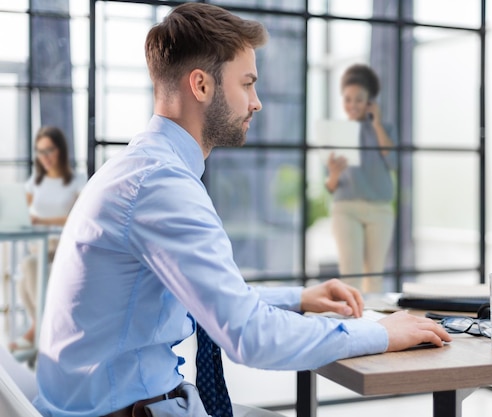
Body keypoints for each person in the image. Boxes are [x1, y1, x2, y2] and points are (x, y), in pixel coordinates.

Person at [33, 4, 451, 417]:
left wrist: (300, 298)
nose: (257, 102)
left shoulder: (143, 169)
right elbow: (250, 336)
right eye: (247, 83)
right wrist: (377, 331)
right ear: (201, 85)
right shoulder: (160, 185)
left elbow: (210, 295)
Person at [8, 126, 85, 353]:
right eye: (40, 152)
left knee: (29, 267)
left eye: (49, 150)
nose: (45, 157)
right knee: (23, 281)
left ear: (60, 150)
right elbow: (20, 208)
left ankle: (38, 333)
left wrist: (41, 221)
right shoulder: (36, 183)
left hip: (64, 246)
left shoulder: (77, 180)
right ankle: (42, 331)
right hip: (39, 245)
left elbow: (78, 216)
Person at [325, 64, 396, 294]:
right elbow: (329, 186)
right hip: (346, 209)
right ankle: (355, 325)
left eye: (358, 99)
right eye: (347, 99)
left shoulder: (384, 129)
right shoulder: (337, 132)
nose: (352, 105)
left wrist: (376, 124)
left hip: (380, 210)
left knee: (374, 277)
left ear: (369, 102)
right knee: (351, 276)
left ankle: (376, 327)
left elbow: (394, 162)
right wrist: (335, 172)